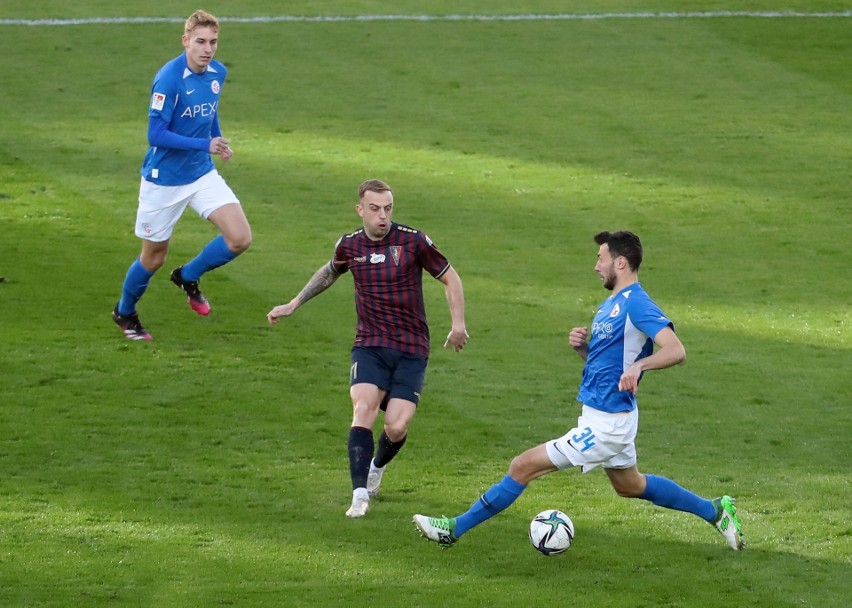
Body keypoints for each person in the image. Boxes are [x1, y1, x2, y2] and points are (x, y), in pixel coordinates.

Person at [414, 230, 744, 551]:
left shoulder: (638, 304)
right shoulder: (610, 304)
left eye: (601, 258)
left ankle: (453, 529)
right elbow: (607, 365)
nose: (596, 265)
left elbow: (676, 350)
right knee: (631, 486)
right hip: (603, 414)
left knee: (522, 466)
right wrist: (583, 350)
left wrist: (639, 367)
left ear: (621, 264)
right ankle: (715, 510)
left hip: (608, 424)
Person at [267, 179, 469, 518]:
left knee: (396, 426)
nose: (383, 216)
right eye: (375, 209)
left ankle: (377, 466)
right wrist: (294, 303)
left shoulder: (413, 241)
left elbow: (451, 277)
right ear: (360, 209)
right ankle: (359, 494)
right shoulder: (350, 246)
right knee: (363, 409)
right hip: (370, 345)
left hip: (411, 347)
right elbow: (330, 272)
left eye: (388, 208)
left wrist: (458, 324)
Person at [112, 9, 251, 341]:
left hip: (201, 173)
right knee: (153, 257)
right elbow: (155, 135)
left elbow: (210, 111)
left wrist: (218, 141)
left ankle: (188, 276)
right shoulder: (169, 78)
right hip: (164, 179)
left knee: (240, 238)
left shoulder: (217, 71)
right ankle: (125, 312)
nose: (207, 49)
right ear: (185, 41)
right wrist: (206, 144)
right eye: (200, 42)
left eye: (213, 42)